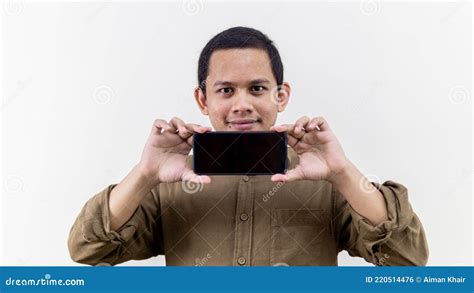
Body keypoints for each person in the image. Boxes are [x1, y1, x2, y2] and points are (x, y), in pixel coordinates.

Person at [68, 26, 428, 266]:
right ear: (202, 100)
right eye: (226, 90)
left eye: (257, 88)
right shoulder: (168, 184)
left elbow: (407, 258)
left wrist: (343, 172)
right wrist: (145, 174)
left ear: (281, 96)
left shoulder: (326, 180)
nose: (242, 104)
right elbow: (89, 249)